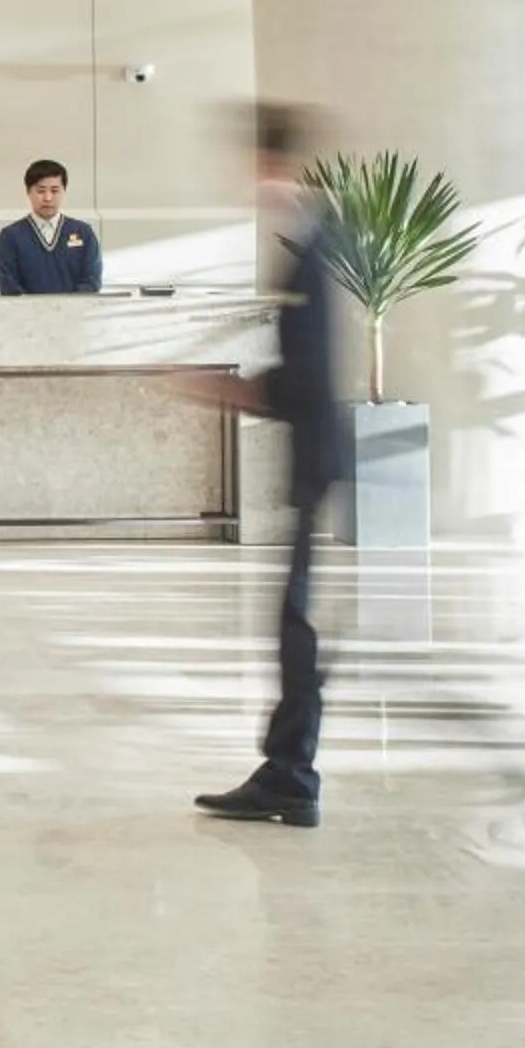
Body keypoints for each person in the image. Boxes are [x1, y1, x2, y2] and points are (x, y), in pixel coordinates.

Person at [185, 106, 348, 828]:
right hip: (314, 456)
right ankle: (288, 770)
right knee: (295, 623)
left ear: (267, 162)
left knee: (297, 626)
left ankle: (291, 776)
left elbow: (308, 375)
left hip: (313, 455)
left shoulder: (308, 245)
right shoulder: (310, 237)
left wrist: (231, 390)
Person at [0, 158, 103, 295]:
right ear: (28, 192)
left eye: (55, 190)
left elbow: (92, 281)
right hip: (26, 315)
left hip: (74, 314)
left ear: (64, 191)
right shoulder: (10, 236)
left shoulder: (83, 232)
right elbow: (8, 285)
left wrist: (66, 309)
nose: (48, 198)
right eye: (41, 191)